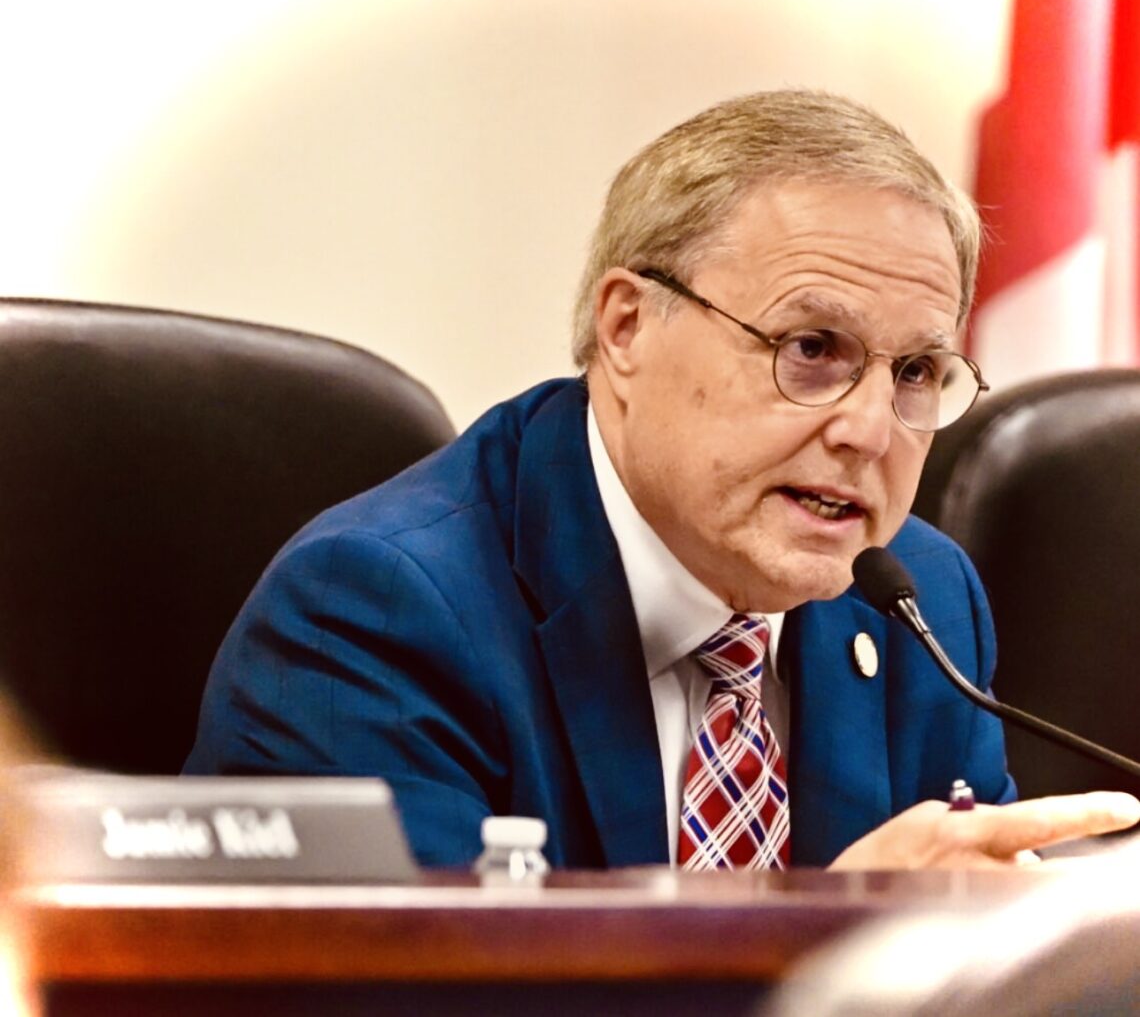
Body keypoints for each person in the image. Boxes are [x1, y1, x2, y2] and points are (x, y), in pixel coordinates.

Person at [185, 89, 1139, 870]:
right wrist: (839, 952)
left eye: (918, 371)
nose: (867, 430)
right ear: (627, 328)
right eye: (812, 348)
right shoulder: (374, 613)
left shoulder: (920, 602)